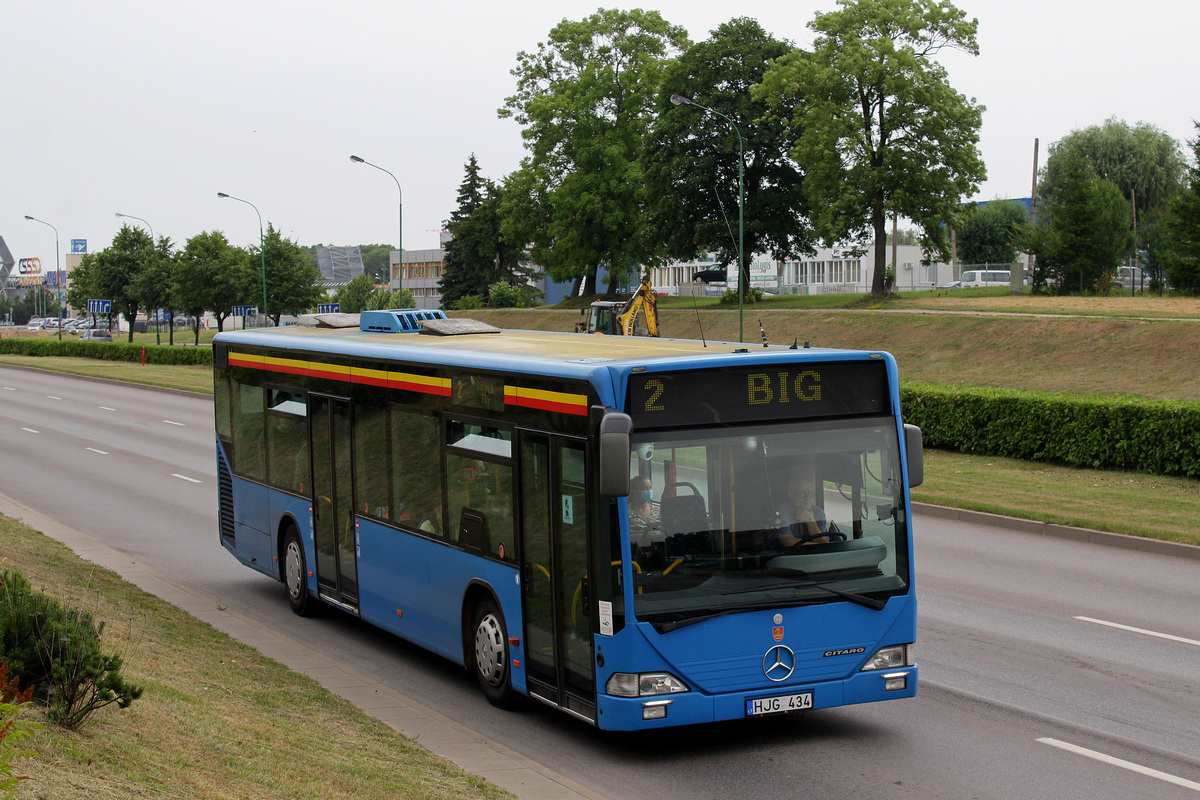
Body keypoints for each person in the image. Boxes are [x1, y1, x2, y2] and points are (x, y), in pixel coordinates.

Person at [777, 463, 829, 547]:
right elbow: (788, 541)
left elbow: (824, 544)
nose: (807, 498)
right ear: (791, 494)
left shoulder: (818, 512)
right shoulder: (784, 509)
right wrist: (815, 546)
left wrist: (811, 522)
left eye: (810, 493)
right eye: (802, 493)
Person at [627, 475, 660, 548]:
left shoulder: (658, 510)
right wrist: (645, 536)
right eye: (644, 488)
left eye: (650, 488)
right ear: (634, 491)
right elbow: (623, 536)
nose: (649, 491)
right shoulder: (626, 512)